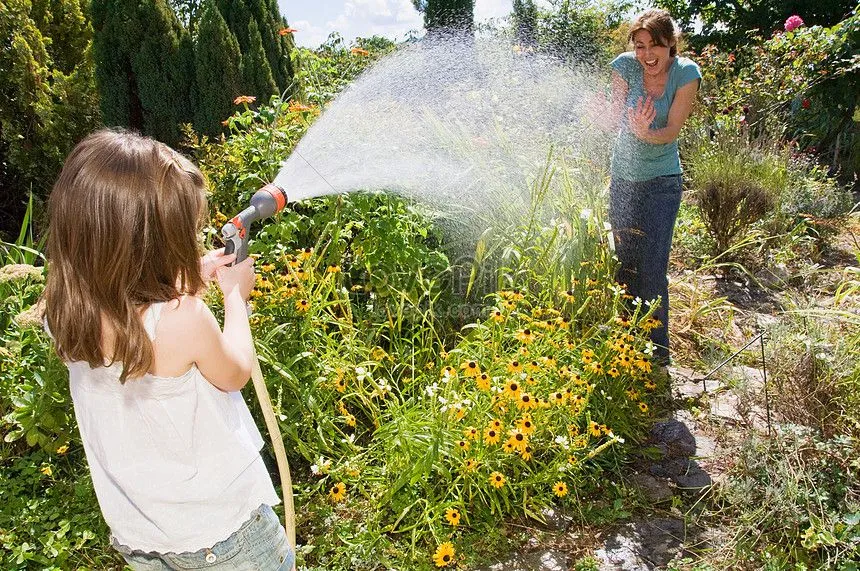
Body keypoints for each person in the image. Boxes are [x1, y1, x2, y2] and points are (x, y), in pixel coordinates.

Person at [42, 129, 294, 570]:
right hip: (226, 538)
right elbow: (235, 372)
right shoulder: (185, 319)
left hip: (146, 537)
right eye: (183, 233)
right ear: (151, 244)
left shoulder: (63, 311)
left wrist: (192, 274)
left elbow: (132, 301)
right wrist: (237, 296)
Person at [608, 8, 701, 365]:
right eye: (640, 46)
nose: (647, 55)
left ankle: (657, 354)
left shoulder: (686, 73)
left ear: (670, 44)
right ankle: (626, 344)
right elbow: (612, 119)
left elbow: (671, 131)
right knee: (625, 264)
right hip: (624, 179)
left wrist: (647, 133)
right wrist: (598, 116)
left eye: (655, 46)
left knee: (652, 266)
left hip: (663, 182)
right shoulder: (625, 66)